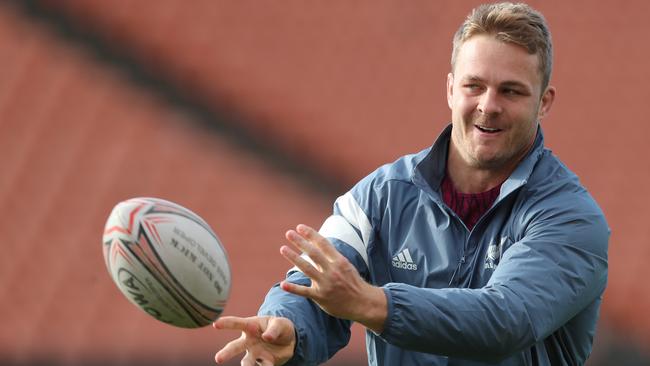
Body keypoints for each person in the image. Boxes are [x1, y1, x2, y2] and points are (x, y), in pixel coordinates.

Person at [213, 2, 609, 365]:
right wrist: (288, 329)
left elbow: (505, 319)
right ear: (451, 89)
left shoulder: (571, 218)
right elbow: (316, 281)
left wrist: (374, 303)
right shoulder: (376, 197)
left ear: (544, 102)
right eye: (475, 85)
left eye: (511, 91)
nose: (488, 105)